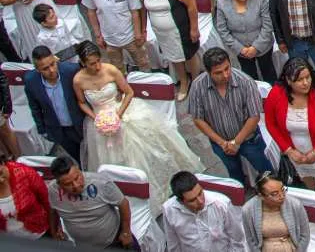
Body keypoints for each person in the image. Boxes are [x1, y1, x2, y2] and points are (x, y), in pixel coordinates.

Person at [72, 40, 202, 206]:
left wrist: (118, 114)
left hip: (121, 111)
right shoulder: (78, 80)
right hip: (100, 119)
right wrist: (95, 117)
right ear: (83, 63)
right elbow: (81, 102)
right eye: (92, 63)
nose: (97, 66)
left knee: (145, 148)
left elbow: (129, 92)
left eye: (98, 61)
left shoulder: (110, 70)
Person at [263, 58, 315, 216]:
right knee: (306, 175)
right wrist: (289, 150)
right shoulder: (276, 94)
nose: (305, 83)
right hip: (295, 151)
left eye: (307, 77)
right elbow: (271, 124)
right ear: (288, 80)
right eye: (299, 80)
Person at [188, 47, 273, 187]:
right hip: (219, 142)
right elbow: (198, 119)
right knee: (233, 172)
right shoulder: (198, 86)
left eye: (227, 68)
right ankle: (241, 190)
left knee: (264, 168)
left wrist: (236, 142)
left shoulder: (245, 82)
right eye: (218, 73)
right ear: (208, 72)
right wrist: (222, 143)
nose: (225, 75)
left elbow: (254, 116)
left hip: (248, 139)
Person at [136, 0, 201, 101]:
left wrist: (194, 29)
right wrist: (143, 28)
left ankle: (196, 81)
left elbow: (192, 6)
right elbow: (143, 9)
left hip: (181, 29)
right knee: (174, 56)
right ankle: (184, 82)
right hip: (162, 33)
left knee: (190, 55)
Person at [48, 156, 135, 249]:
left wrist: (126, 232)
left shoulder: (102, 183)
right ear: (59, 184)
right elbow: (53, 211)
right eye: (68, 184)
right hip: (82, 247)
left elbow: (123, 203)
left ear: (79, 169)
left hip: (113, 242)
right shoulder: (53, 190)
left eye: (77, 178)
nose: (76, 185)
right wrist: (54, 231)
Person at [81, 0, 149, 73]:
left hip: (130, 36)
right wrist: (98, 35)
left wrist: (138, 33)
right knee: (116, 68)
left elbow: (135, 10)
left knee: (143, 63)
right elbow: (91, 11)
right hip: (109, 38)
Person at [25, 45, 84, 162]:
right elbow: (34, 107)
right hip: (59, 131)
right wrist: (42, 130)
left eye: (52, 64)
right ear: (37, 69)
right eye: (45, 68)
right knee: (78, 158)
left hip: (80, 124)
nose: (51, 70)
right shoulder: (31, 81)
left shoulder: (71, 71)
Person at [216, 0, 276, 82]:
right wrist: (241, 49)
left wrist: (255, 47)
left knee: (269, 73)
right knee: (249, 77)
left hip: (263, 46)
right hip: (241, 50)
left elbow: (268, 25)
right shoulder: (222, 4)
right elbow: (223, 31)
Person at [163, 171, 246, 250]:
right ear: (181, 202)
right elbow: (173, 243)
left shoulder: (221, 204)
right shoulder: (169, 210)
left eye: (200, 193)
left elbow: (238, 239)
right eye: (192, 200)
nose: (200, 201)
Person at [242, 171, 311, 251]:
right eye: (275, 194)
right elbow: (251, 240)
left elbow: (305, 235)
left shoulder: (295, 205)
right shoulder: (248, 210)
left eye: (282, 189)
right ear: (261, 196)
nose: (281, 196)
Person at [0, 156, 53, 239]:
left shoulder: (24, 173)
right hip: (8, 241)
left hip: (38, 235)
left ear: (2, 163)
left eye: (0, 173)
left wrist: (54, 229)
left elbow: (48, 202)